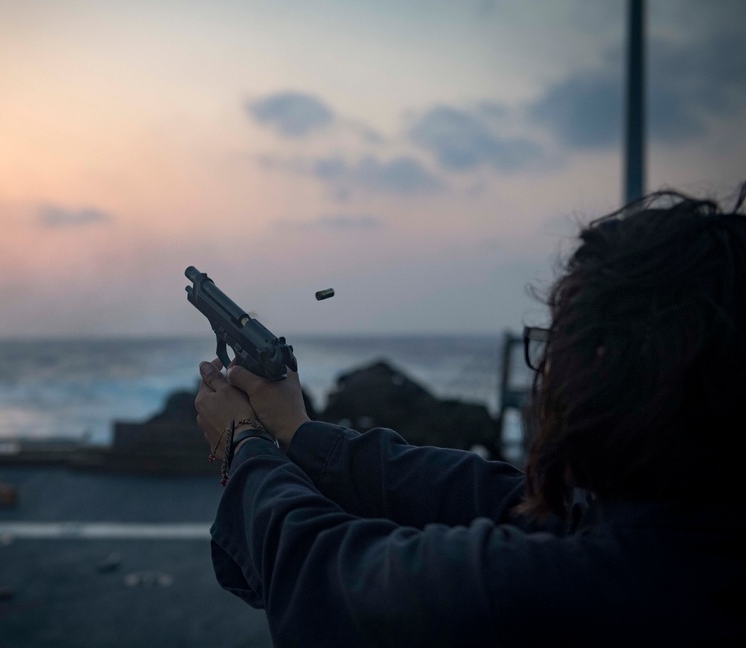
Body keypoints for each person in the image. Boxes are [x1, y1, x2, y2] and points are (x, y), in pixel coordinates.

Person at [194, 187, 746, 646]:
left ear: (614, 379)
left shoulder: (575, 586)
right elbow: (495, 498)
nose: (547, 377)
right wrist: (299, 433)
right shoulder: (685, 536)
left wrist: (246, 443)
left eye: (561, 348)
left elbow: (327, 573)